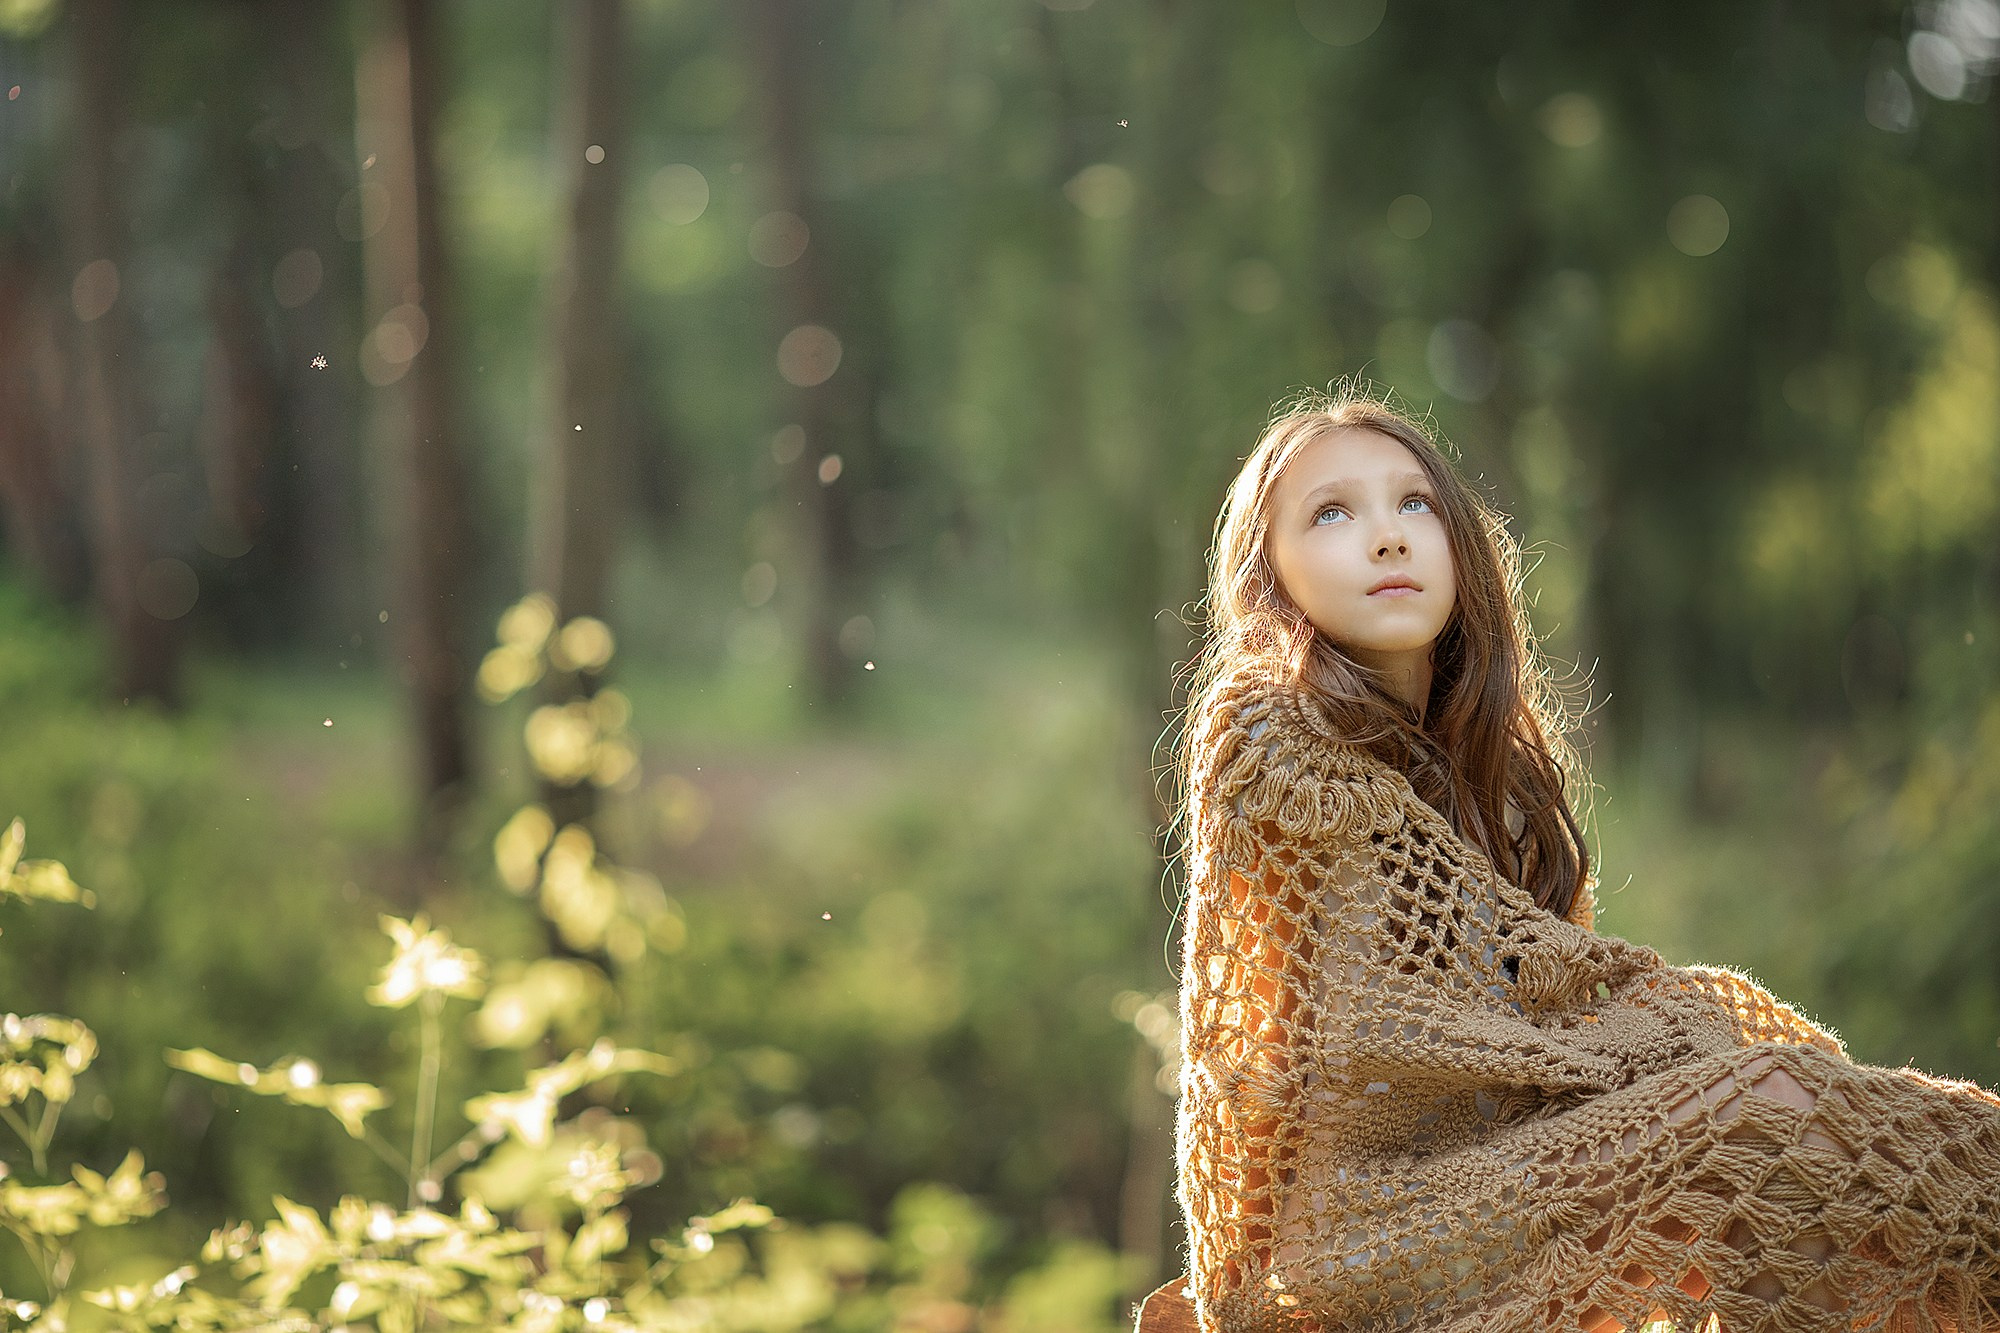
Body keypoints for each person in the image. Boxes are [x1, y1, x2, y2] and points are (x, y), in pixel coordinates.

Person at [1168, 383, 2000, 1333]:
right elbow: (1283, 1051)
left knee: (1868, 1160)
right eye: (1331, 513)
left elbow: (1555, 1025)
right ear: (1268, 574)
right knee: (1764, 1109)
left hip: (1513, 1173)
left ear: (1460, 544)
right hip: (1369, 1225)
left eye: (1415, 502)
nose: (1388, 536)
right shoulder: (1267, 733)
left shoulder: (1499, 772)